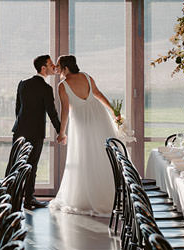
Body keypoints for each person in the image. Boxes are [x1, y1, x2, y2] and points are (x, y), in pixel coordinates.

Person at [49, 55, 121, 217]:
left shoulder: (63, 85)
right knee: (104, 154)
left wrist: (62, 132)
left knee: (85, 156)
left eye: (59, 66)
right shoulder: (86, 77)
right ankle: (111, 195)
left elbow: (65, 110)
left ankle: (87, 197)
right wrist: (113, 111)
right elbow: (98, 94)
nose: (57, 69)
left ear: (66, 68)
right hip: (99, 116)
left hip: (81, 121)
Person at [12, 55, 63, 209]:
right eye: (50, 64)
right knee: (31, 166)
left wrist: (22, 126)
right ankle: (28, 199)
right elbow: (52, 113)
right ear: (43, 68)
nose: (53, 66)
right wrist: (61, 132)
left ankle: (11, 199)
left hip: (19, 131)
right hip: (35, 134)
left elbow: (17, 109)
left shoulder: (23, 84)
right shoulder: (46, 88)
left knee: (17, 165)